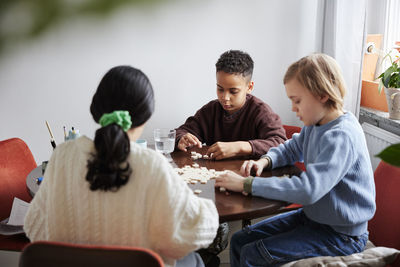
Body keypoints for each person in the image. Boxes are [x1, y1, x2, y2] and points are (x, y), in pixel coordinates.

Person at [24, 66, 219, 267]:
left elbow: (34, 227)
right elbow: (195, 233)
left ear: (97, 109)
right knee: (193, 259)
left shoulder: (63, 156)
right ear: (146, 114)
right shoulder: (151, 165)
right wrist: (204, 203)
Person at [215, 53, 376, 266]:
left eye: (297, 100)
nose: (293, 108)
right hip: (314, 218)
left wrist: (247, 184)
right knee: (239, 241)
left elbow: (308, 190)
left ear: (321, 95)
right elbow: (291, 148)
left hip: (342, 235)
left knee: (252, 254)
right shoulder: (315, 124)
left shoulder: (341, 135)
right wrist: (264, 161)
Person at [175, 50, 286, 160]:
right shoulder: (210, 111)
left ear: (249, 87)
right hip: (216, 175)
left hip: (249, 175)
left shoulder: (261, 112)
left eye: (233, 91)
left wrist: (241, 147)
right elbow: (180, 132)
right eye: (220, 89)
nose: (225, 98)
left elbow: (280, 143)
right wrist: (181, 138)